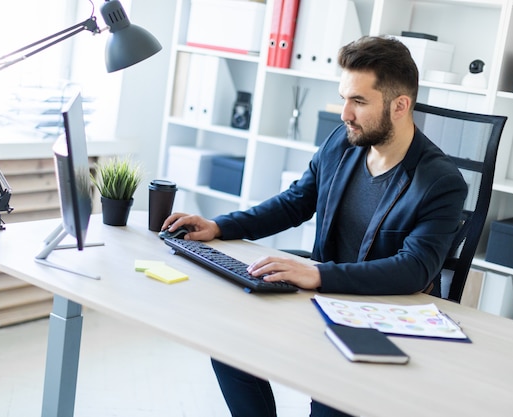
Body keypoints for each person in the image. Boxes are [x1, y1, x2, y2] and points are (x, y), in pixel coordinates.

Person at [162, 35, 468, 417]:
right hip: (318, 301)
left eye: (358, 101)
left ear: (400, 106)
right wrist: (219, 226)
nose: (345, 114)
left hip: (377, 318)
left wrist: (318, 274)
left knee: (329, 408)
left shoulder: (441, 181)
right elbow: (295, 203)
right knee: (228, 345)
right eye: (344, 98)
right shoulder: (343, 143)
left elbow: (414, 269)